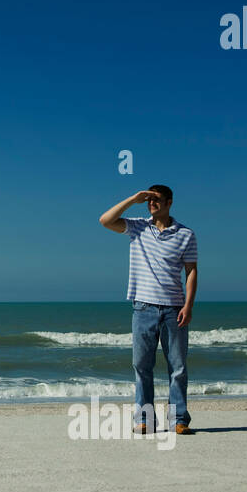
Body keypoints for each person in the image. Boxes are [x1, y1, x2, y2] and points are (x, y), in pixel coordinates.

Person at [99, 185, 198, 435]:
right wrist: (133, 199)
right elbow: (105, 220)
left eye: (156, 200)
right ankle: (144, 420)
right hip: (143, 307)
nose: (151, 204)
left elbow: (191, 271)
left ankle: (179, 420)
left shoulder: (186, 234)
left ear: (170, 202)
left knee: (178, 367)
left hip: (174, 308)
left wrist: (188, 304)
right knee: (141, 365)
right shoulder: (138, 227)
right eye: (149, 200)